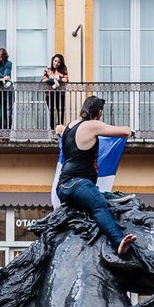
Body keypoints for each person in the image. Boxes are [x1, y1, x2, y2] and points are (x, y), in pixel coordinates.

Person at [55, 95, 137, 256]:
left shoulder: (71, 125)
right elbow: (124, 132)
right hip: (77, 183)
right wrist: (130, 130)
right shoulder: (91, 125)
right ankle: (118, 241)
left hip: (65, 186)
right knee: (99, 204)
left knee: (103, 198)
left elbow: (61, 130)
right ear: (99, 112)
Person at [41, 53, 69, 129]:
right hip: (50, 94)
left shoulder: (63, 71)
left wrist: (58, 79)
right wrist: (53, 80)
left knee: (61, 111)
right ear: (53, 60)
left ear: (61, 63)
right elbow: (43, 80)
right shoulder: (48, 70)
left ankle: (60, 128)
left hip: (60, 94)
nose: (56, 63)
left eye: (58, 62)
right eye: (55, 61)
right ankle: (53, 129)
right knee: (52, 111)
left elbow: (66, 79)